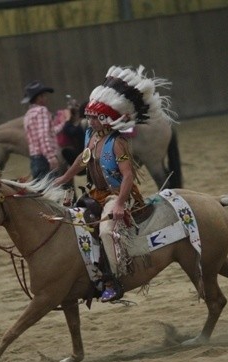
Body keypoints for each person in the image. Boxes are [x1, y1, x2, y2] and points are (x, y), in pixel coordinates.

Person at [55, 65, 174, 302]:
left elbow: (128, 176)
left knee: (107, 231)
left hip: (118, 194)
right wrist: (65, 177)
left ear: (105, 119)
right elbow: (83, 158)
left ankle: (115, 280)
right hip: (96, 193)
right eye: (88, 116)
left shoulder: (117, 142)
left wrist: (120, 203)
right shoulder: (91, 136)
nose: (88, 121)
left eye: (92, 117)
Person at [21, 81, 66, 180]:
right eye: (44, 96)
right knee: (52, 191)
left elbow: (50, 132)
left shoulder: (28, 115)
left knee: (41, 191)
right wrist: (51, 157)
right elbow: (43, 135)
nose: (46, 98)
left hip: (35, 159)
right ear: (39, 98)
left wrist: (64, 123)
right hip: (45, 159)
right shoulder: (42, 111)